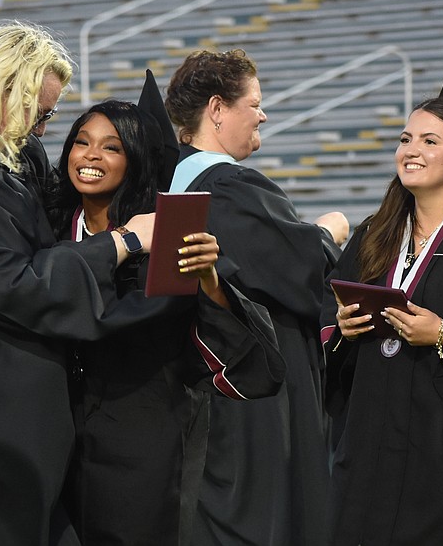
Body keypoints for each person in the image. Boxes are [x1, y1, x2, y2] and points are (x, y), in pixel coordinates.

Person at [0, 22, 218, 546]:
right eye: (40, 112)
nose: (43, 129)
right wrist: (122, 242)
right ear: (2, 91)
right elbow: (19, 284)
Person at [48, 73, 287, 546]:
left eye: (111, 148)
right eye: (81, 142)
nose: (91, 156)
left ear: (135, 161)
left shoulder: (168, 239)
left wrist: (210, 279)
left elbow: (238, 345)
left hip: (142, 433)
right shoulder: (48, 224)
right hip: (55, 432)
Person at [164, 49, 348, 546]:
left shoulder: (168, 186)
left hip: (202, 385)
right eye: (256, 103)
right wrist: (329, 233)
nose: (263, 114)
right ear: (218, 109)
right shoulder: (228, 187)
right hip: (255, 399)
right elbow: (304, 271)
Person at [320, 65, 443, 545]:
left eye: (429, 141)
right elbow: (326, 312)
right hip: (369, 434)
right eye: (406, 139)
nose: (410, 151)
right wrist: (342, 326)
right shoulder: (373, 234)